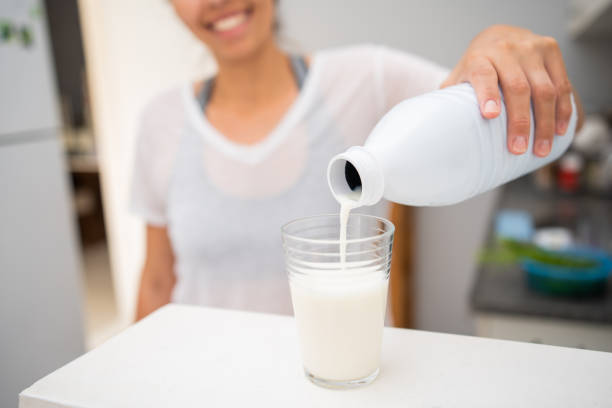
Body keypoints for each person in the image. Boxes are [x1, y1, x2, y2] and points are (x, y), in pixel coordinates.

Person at [132, 0, 584, 320]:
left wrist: (499, 44)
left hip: (343, 385)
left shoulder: (369, 78)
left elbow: (535, 119)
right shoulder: (160, 120)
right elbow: (156, 282)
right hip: (204, 382)